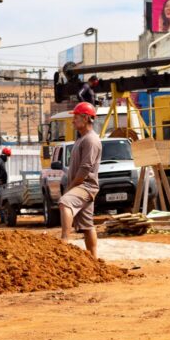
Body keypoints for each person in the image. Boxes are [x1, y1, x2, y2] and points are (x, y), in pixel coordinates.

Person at [59, 102, 103, 258]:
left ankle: (64, 240)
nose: (73, 121)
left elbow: (85, 168)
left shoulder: (91, 140)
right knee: (87, 225)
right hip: (83, 186)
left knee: (65, 202)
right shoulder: (82, 139)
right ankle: (94, 259)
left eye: (76, 117)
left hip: (85, 186)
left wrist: (71, 186)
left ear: (85, 118)